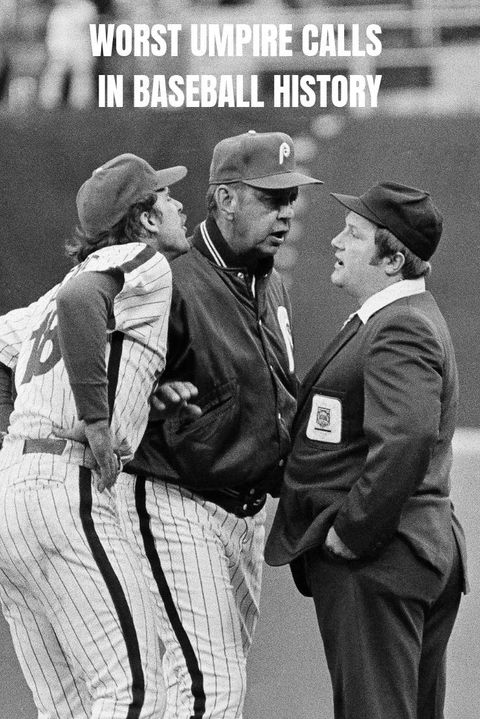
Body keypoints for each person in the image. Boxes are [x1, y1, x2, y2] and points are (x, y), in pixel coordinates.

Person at [115, 130, 323, 719]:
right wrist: (143, 394)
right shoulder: (166, 277)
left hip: (246, 516)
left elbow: (278, 392)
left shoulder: (269, 281)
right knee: (212, 690)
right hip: (178, 502)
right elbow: (76, 343)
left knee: (190, 688)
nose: (286, 212)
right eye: (271, 197)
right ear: (226, 198)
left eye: (291, 199)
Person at [265, 181, 468, 719]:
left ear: (393, 259)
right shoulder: (394, 318)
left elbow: (404, 441)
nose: (335, 242)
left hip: (381, 557)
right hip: (404, 552)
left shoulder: (400, 325)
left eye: (353, 235)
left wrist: (351, 533)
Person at [0, 152, 189, 718]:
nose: (179, 202)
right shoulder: (144, 262)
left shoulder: (53, 294)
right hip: (67, 486)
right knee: (133, 692)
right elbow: (84, 302)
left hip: (13, 496)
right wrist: (101, 421)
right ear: (146, 219)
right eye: (165, 196)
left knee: (68, 708)